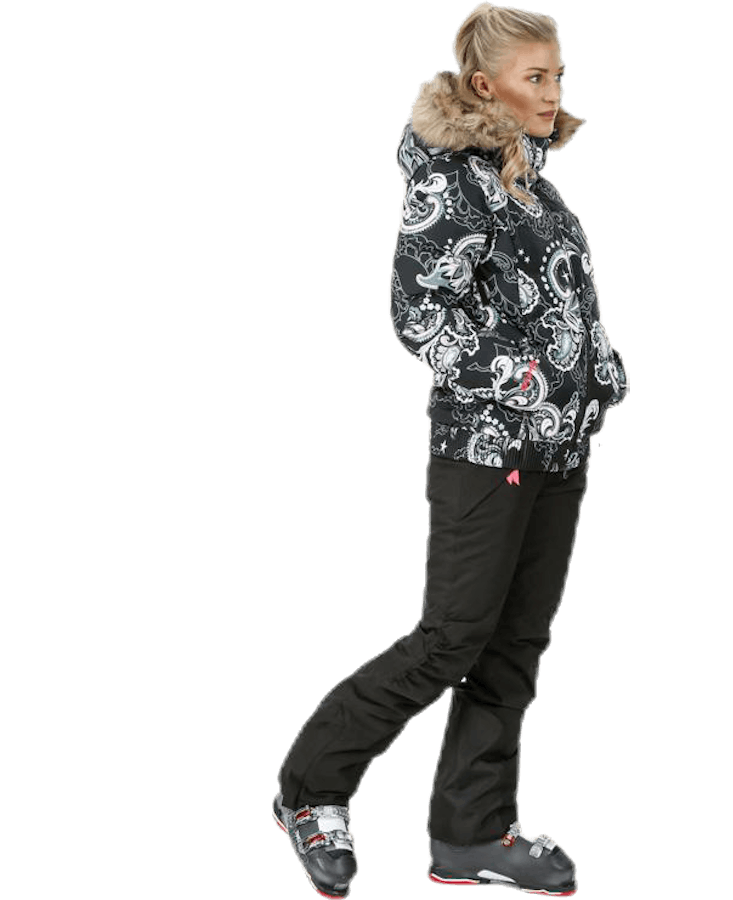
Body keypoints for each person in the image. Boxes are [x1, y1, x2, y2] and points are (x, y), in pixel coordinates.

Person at [271, 3, 629, 897]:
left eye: (558, 75)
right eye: (534, 77)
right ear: (483, 86)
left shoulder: (533, 182)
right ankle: (310, 791)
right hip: (485, 447)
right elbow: (418, 314)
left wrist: (601, 372)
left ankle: (470, 834)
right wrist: (529, 380)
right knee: (451, 639)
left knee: (515, 646)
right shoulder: (450, 180)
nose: (552, 92)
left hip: (558, 450)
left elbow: (553, 301)